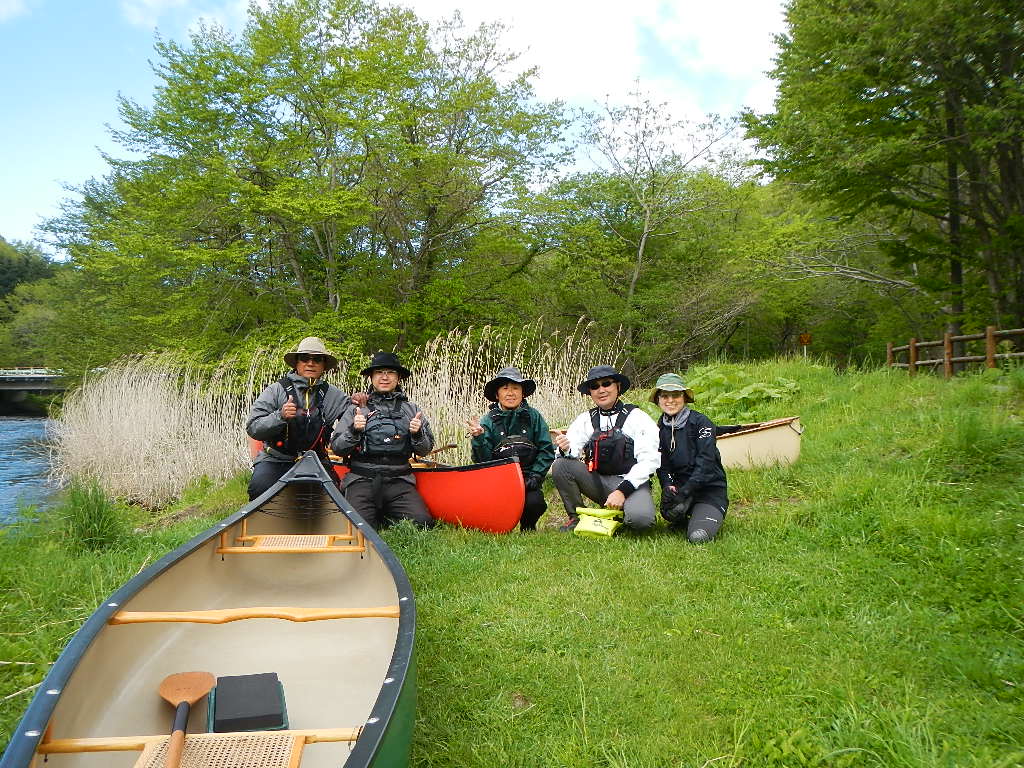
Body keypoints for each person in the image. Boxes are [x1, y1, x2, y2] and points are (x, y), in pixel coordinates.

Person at [330, 352, 435, 529]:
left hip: (399, 481)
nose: (384, 377)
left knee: (422, 523)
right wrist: (354, 430)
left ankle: (385, 512)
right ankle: (375, 513)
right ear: (371, 377)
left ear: (398, 378)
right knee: (359, 529)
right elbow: (337, 448)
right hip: (362, 479)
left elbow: (425, 450)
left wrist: (417, 434)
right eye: (379, 372)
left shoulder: (412, 410)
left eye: (390, 372)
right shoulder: (356, 409)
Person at [551, 365, 660, 532]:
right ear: (590, 392)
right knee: (561, 465)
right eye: (595, 386)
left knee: (641, 521)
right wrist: (565, 448)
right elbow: (571, 451)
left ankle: (622, 513)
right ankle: (576, 518)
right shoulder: (586, 419)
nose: (601, 390)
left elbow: (650, 461)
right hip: (598, 482)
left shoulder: (638, 418)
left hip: (631, 482)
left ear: (618, 386)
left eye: (606, 384)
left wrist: (622, 491)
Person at [246, 337, 351, 500]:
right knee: (259, 489)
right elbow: (253, 427)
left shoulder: (334, 395)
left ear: (324, 365)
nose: (310, 363)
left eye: (317, 359)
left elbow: (353, 416)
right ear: (296, 363)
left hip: (316, 461)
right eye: (305, 358)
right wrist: (280, 416)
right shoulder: (275, 390)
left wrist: (361, 402)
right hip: (276, 459)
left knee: (334, 498)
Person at [466, 366, 556, 531]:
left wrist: (535, 477)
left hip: (528, 479)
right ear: (497, 395)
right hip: (497, 481)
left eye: (515, 388)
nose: (510, 393)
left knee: (535, 503)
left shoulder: (534, 416)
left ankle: (528, 527)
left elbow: (546, 450)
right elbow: (482, 461)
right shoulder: (487, 421)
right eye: (505, 388)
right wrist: (478, 438)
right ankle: (500, 527)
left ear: (523, 393)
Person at [651, 373, 728, 543]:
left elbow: (706, 464)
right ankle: (686, 514)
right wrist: (667, 486)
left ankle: (704, 515)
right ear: (658, 399)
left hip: (709, 490)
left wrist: (685, 491)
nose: (670, 400)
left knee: (697, 537)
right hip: (681, 490)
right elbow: (662, 464)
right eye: (665, 396)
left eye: (676, 395)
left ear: (684, 398)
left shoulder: (701, 423)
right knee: (668, 513)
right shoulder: (659, 427)